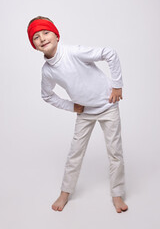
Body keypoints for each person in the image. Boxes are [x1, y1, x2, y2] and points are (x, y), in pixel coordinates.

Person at [27, 16, 128, 213]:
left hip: (108, 106)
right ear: (34, 45)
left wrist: (117, 85)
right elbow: (46, 95)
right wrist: (72, 106)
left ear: (56, 35)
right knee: (75, 153)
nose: (42, 38)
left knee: (115, 151)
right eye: (36, 37)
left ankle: (117, 194)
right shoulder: (47, 71)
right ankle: (65, 192)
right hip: (86, 112)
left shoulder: (73, 52)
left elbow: (110, 53)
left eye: (46, 33)